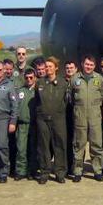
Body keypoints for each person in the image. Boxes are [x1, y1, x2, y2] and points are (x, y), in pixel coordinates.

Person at [70, 55, 103, 182]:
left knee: (96, 145)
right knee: (78, 145)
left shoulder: (99, 79)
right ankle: (78, 171)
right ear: (82, 64)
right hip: (80, 117)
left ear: (94, 66)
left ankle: (97, 171)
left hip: (95, 117)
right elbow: (71, 98)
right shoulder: (75, 79)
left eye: (91, 65)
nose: (88, 67)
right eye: (86, 64)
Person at [35, 56, 68, 184]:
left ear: (56, 68)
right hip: (42, 119)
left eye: (50, 66)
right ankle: (44, 172)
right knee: (43, 146)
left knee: (59, 145)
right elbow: (37, 101)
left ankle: (60, 173)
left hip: (58, 119)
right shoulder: (40, 83)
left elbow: (66, 101)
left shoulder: (63, 83)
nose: (48, 68)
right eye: (46, 66)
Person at [13, 68, 38, 181]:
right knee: (21, 149)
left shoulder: (38, 90)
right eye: (27, 78)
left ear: (35, 78)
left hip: (34, 124)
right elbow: (15, 106)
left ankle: (32, 171)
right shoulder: (20, 91)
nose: (29, 79)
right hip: (22, 124)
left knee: (33, 149)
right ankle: (20, 171)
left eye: (31, 77)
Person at [63, 60, 78, 176]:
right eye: (67, 68)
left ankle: (76, 167)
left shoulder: (79, 81)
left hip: (77, 115)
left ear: (76, 69)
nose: (69, 70)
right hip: (65, 115)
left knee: (77, 142)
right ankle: (68, 166)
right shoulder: (61, 82)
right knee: (67, 142)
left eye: (71, 68)